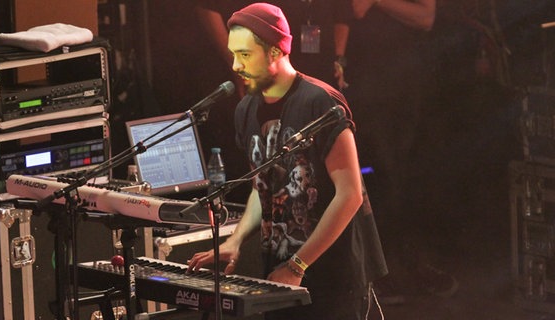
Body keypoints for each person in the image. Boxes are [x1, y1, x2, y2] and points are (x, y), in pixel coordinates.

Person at [187, 3, 387, 319]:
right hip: (281, 272)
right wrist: (235, 241)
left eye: (245, 54)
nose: (236, 65)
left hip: (333, 276)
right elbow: (263, 187)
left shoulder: (320, 102)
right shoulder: (246, 110)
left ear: (276, 51)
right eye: (233, 54)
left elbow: (350, 195)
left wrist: (298, 264)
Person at [345, 0, 458, 302]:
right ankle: (379, 273)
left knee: (408, 180)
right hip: (366, 84)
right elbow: (355, 9)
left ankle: (414, 265)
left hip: (408, 86)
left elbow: (426, 17)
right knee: (379, 179)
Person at [195, 0, 353, 91]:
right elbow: (208, 7)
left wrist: (338, 59)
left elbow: (342, 14)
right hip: (268, 71)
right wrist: (236, 62)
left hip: (318, 70)